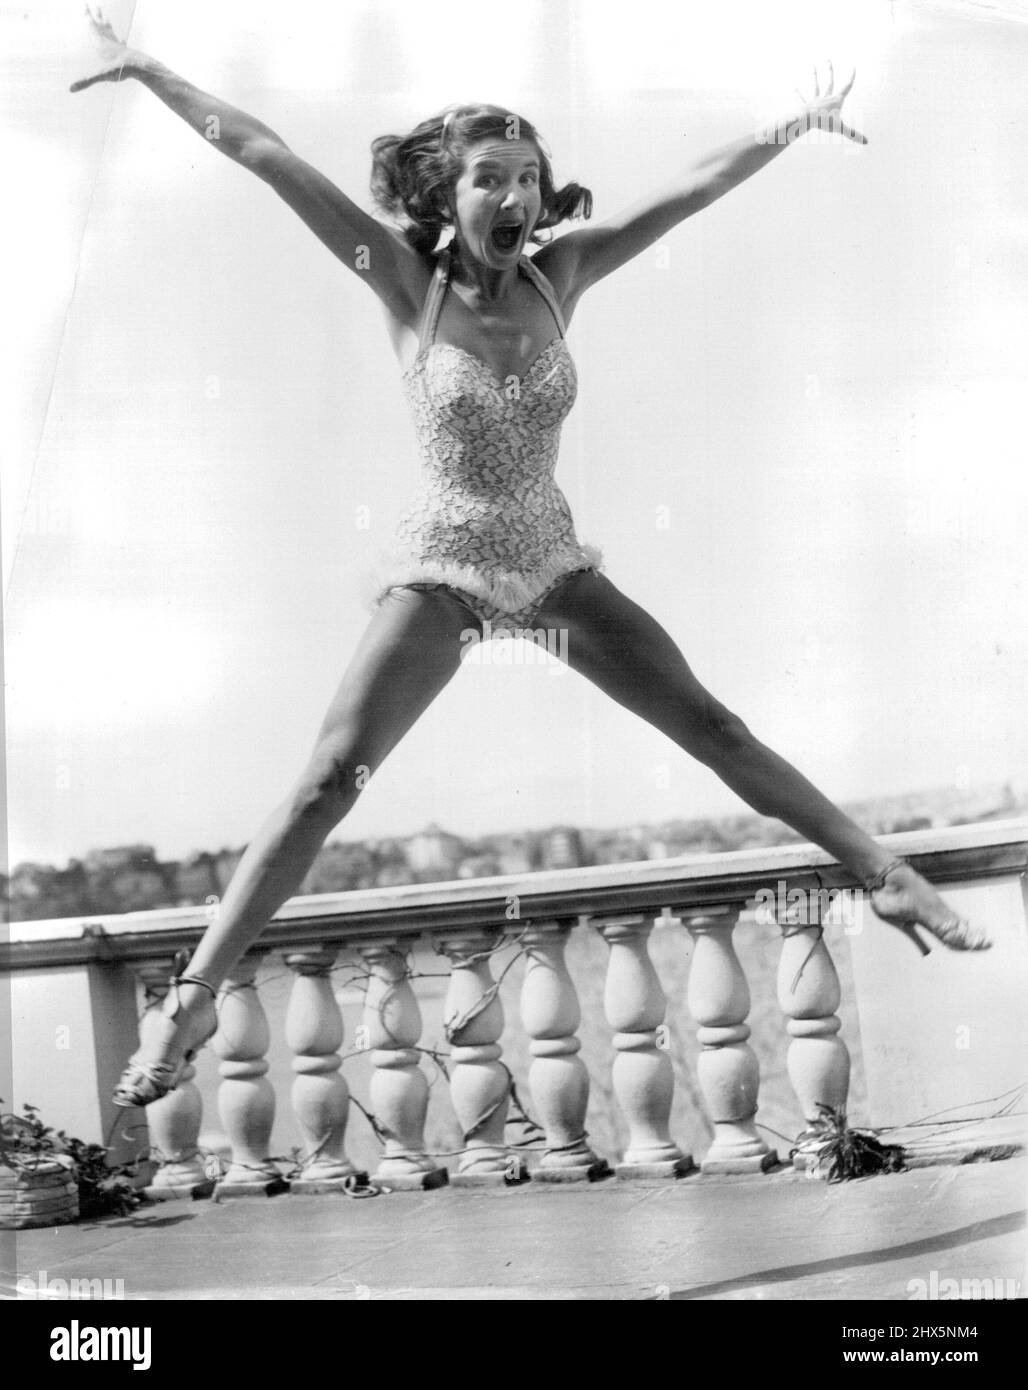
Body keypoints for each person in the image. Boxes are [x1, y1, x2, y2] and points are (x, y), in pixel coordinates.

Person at [69, 11, 989, 1109]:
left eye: (527, 177)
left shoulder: (566, 275)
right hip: (446, 563)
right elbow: (268, 156)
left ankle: (883, 872)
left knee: (715, 727)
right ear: (445, 197)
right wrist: (153, 70)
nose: (512, 198)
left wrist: (789, 124)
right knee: (327, 778)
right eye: (487, 178)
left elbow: (689, 190)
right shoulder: (403, 283)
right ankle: (193, 995)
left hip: (551, 559)